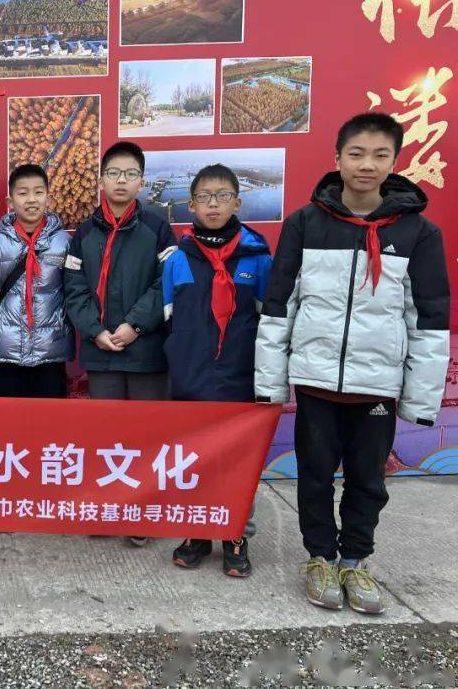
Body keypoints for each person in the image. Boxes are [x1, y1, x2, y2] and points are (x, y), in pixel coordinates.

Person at [255, 112, 450, 614]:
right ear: (337, 158)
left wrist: (420, 398)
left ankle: (355, 560)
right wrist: (271, 386)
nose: (367, 164)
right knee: (314, 475)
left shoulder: (417, 233)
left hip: (377, 385)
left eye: (379, 155)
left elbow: (427, 318)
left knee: (368, 479)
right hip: (316, 381)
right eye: (356, 154)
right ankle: (320, 557)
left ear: (394, 161)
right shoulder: (305, 223)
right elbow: (280, 305)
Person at [162, 164, 272, 577]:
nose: (213, 204)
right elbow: (169, 318)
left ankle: (235, 535)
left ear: (237, 202)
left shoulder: (259, 256)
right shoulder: (177, 259)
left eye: (222, 196)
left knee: (237, 464)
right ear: (190, 204)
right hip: (191, 379)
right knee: (192, 463)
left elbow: (269, 324)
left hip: (239, 378)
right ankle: (196, 534)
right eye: (204, 197)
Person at [64, 141, 176, 400]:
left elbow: (167, 283)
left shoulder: (158, 230)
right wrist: (96, 331)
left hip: (147, 354)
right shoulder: (84, 234)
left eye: (131, 174)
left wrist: (135, 326)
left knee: (148, 433)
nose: (122, 180)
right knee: (107, 433)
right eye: (113, 173)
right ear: (101, 181)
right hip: (100, 353)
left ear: (142, 182)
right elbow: (73, 287)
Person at [0, 164, 73, 398]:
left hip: (51, 349)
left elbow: (77, 290)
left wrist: (63, 322)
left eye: (38, 192)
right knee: (7, 423)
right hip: (6, 352)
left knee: (51, 423)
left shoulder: (65, 242)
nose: (31, 199)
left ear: (48, 198)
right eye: (23, 193)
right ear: (10, 201)